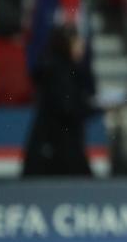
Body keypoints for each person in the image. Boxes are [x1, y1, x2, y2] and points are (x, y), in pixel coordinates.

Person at [22, 24, 95, 176]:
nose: (82, 47)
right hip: (58, 149)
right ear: (67, 44)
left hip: (53, 147)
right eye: (78, 43)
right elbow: (67, 108)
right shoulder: (60, 72)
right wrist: (95, 108)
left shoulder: (57, 68)